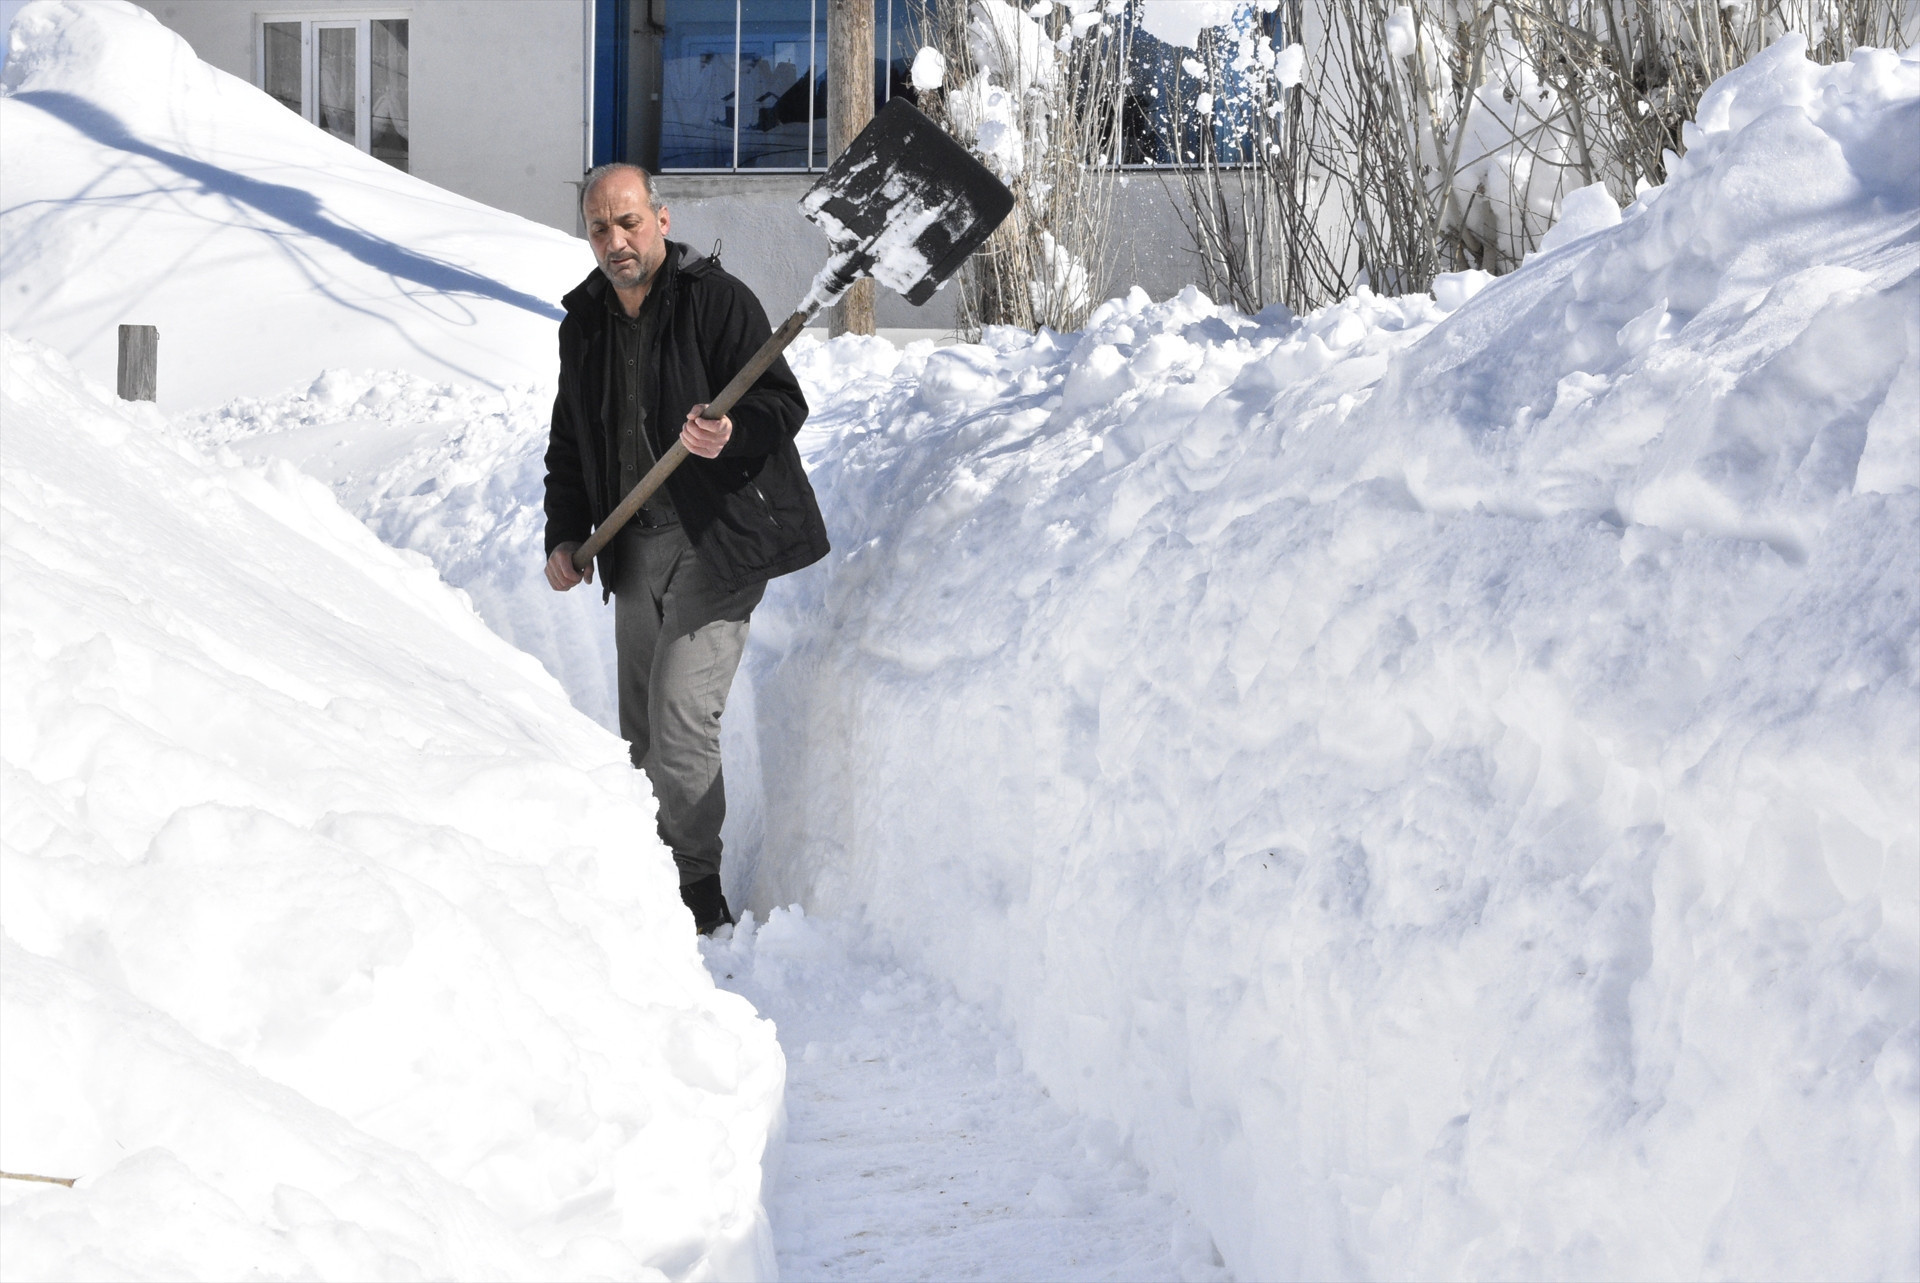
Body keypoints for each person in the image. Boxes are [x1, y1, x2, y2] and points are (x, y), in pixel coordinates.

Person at [543, 163, 828, 934]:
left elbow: (782, 401)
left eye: (628, 221)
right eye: (600, 227)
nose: (615, 240)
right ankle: (653, 871)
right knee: (641, 729)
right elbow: (571, 443)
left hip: (718, 538)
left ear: (660, 220)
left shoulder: (715, 301)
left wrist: (731, 432)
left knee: (677, 715)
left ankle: (699, 893)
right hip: (632, 546)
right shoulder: (586, 324)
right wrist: (565, 536)